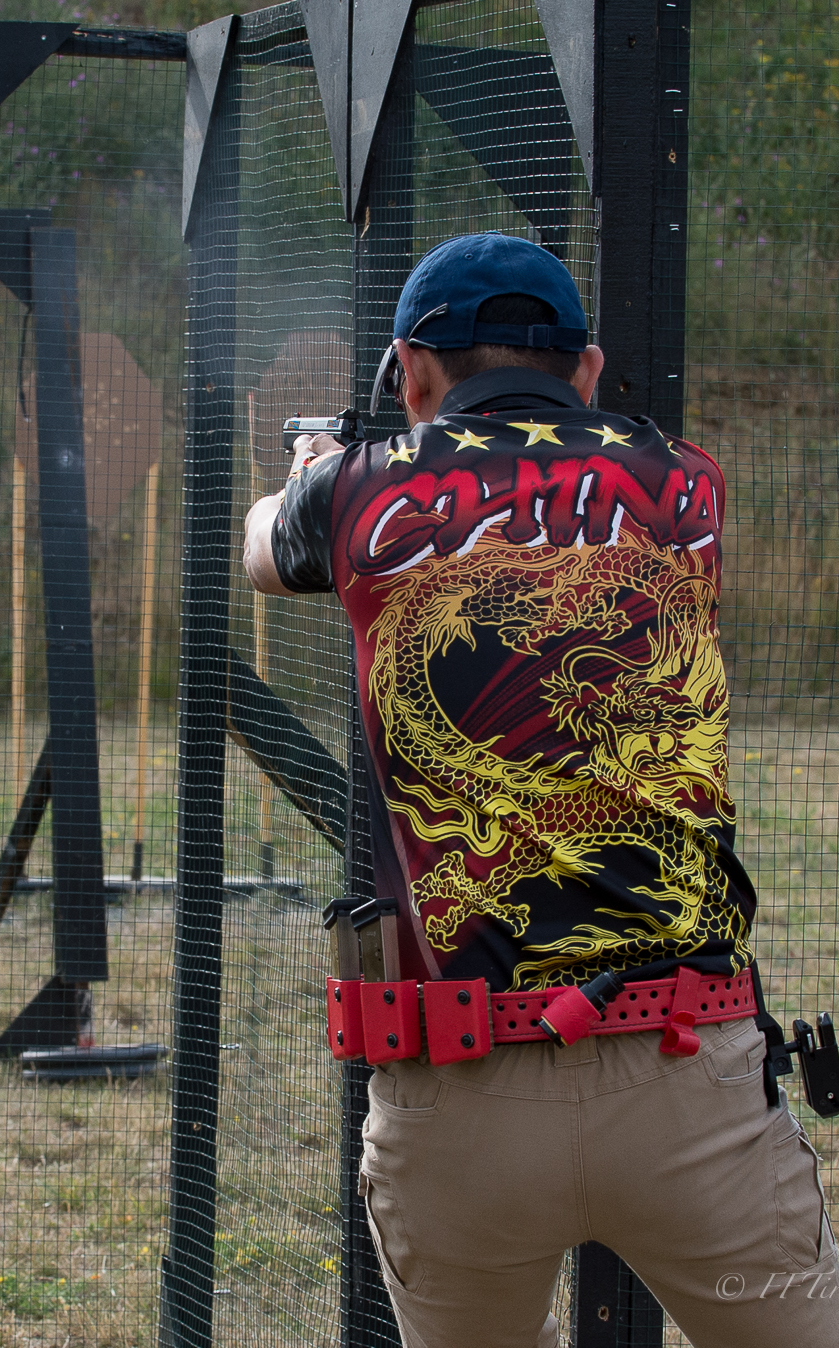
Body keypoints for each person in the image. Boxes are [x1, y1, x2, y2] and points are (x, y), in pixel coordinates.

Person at [242, 231, 839, 1346]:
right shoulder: (686, 483)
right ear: (588, 369)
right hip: (688, 1074)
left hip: (457, 1086)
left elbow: (262, 550)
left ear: (410, 375)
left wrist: (316, 473)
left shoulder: (362, 495)